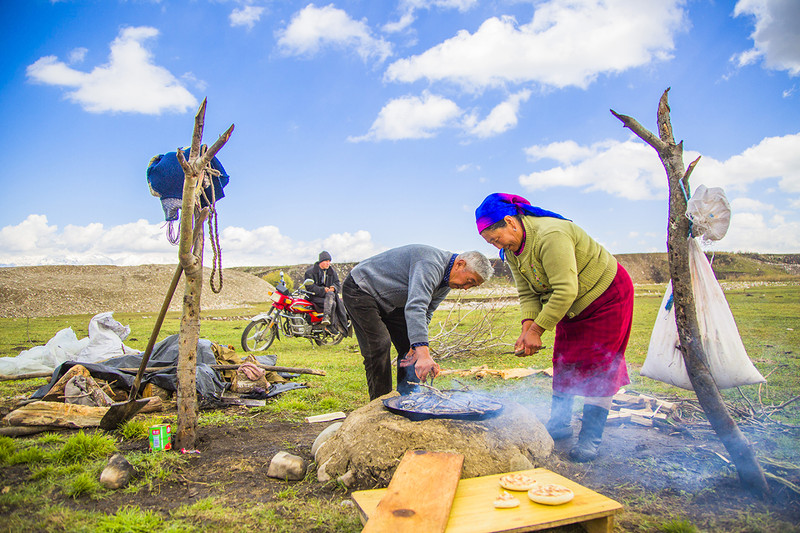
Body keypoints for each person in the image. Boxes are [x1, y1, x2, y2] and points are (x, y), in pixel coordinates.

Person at [475, 193, 634, 462]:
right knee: (565, 360)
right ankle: (560, 425)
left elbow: (565, 289)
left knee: (599, 366)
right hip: (569, 304)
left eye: (495, 238)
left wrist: (537, 330)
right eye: (490, 242)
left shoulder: (551, 236)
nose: (495, 245)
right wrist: (527, 329)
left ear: (510, 222)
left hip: (606, 298)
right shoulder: (512, 251)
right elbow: (527, 293)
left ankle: (590, 439)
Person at [342, 245, 493, 401]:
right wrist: (424, 353)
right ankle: (380, 403)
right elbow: (416, 306)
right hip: (361, 288)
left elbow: (427, 312)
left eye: (472, 286)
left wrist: (419, 347)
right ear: (460, 264)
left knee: (410, 345)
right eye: (469, 281)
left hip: (390, 299)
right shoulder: (430, 264)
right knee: (379, 344)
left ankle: (407, 398)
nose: (466, 288)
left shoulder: (446, 283)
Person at [304, 251, 345, 330]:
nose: (328, 263)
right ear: (321, 261)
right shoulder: (310, 272)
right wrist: (323, 290)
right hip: (314, 297)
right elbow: (309, 286)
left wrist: (333, 288)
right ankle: (330, 325)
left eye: (329, 261)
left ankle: (326, 320)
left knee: (331, 295)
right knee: (332, 302)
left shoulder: (332, 272)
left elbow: (337, 284)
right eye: (326, 261)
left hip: (328, 297)